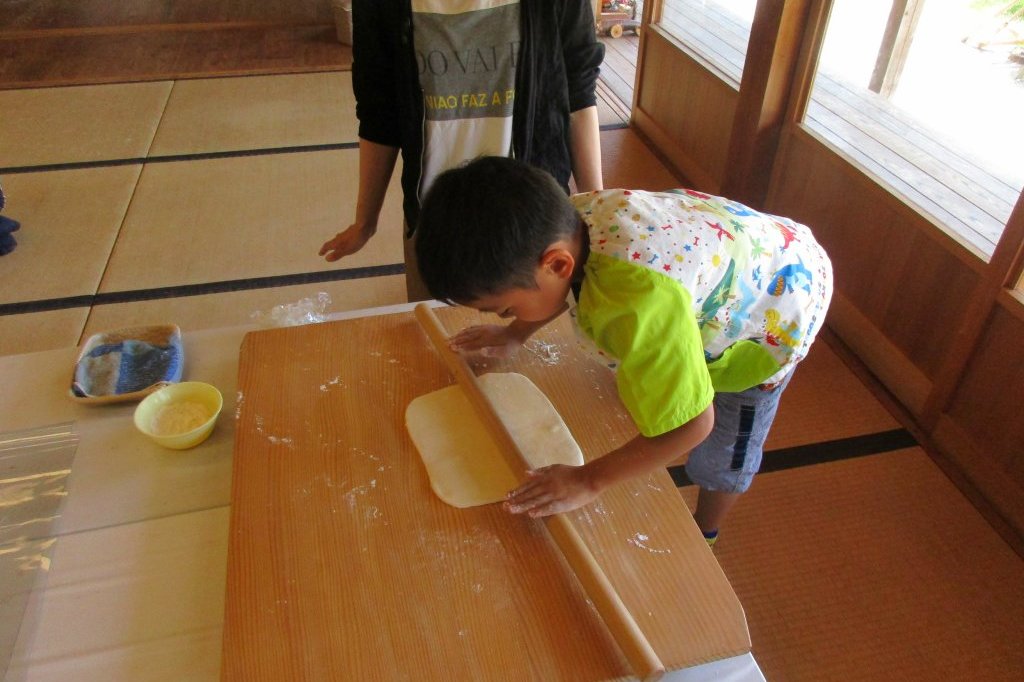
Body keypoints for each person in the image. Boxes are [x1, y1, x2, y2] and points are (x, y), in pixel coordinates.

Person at [414, 157, 833, 545]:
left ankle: (706, 530)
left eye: (506, 310)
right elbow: (556, 283)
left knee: (722, 456)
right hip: (734, 251)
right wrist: (517, 334)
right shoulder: (560, 224)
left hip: (777, 308)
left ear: (557, 264)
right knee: (659, 380)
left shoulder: (635, 304)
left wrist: (587, 480)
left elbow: (690, 426)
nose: (505, 317)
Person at [318, 0, 606, 302]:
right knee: (436, 336)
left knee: (535, 340)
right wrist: (365, 220)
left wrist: (597, 210)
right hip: (435, 221)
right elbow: (379, 110)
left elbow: (579, 93)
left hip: (532, 223)